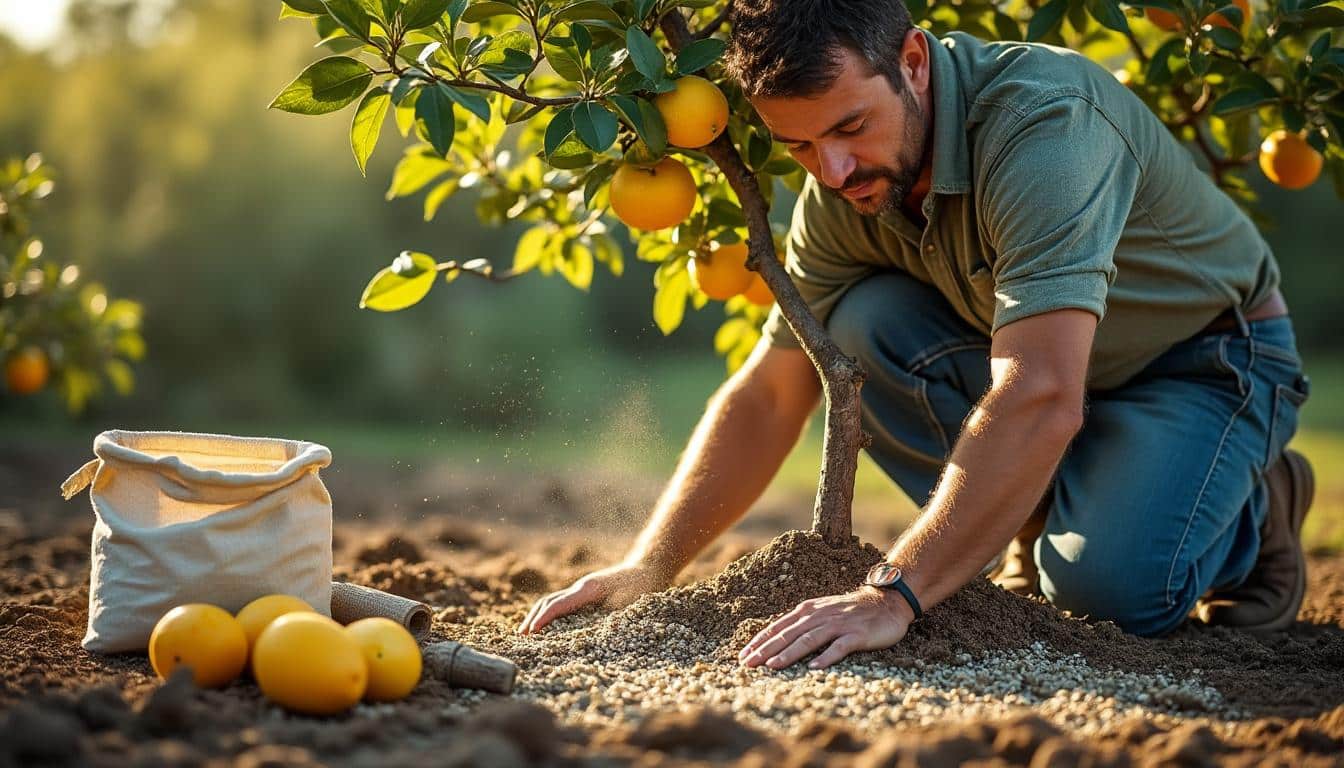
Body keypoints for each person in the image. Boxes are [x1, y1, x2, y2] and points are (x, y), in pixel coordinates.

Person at [518, 0, 1315, 670]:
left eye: (851, 126)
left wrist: (893, 592)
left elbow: (1040, 391)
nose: (832, 171)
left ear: (913, 61)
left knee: (1106, 594)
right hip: (1053, 377)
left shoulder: (1044, 130)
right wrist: (652, 564)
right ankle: (1055, 509)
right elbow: (770, 392)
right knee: (860, 327)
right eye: (799, 146)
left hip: (1202, 360)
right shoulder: (843, 189)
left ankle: (1259, 506)